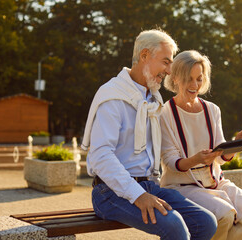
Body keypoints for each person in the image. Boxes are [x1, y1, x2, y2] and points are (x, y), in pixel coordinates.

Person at [81, 30, 217, 240]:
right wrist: (138, 195)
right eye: (165, 62)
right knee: (174, 225)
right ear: (144, 55)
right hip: (109, 192)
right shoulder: (112, 96)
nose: (170, 71)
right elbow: (100, 156)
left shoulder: (153, 98)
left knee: (206, 222)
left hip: (148, 185)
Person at [160, 50, 242, 240]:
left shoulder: (212, 110)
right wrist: (196, 159)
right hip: (182, 186)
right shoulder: (164, 113)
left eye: (199, 79)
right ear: (175, 78)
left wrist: (236, 143)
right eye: (188, 79)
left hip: (216, 182)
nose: (195, 85)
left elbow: (221, 157)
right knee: (224, 215)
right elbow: (170, 161)